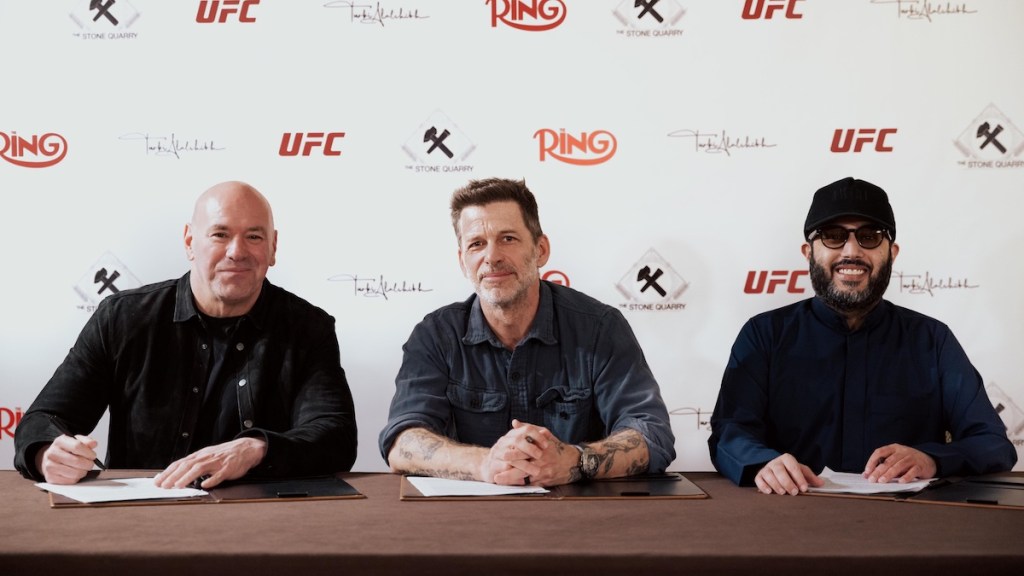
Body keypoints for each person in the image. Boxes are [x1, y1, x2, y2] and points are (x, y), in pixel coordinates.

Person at [14, 181, 357, 489]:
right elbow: (43, 419)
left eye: (254, 237)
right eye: (220, 235)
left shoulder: (308, 327)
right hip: (141, 517)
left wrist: (256, 448)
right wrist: (48, 454)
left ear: (273, 247)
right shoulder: (123, 318)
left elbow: (335, 437)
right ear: (190, 242)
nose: (237, 251)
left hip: (259, 515)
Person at [708, 176, 1016, 495]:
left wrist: (932, 459)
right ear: (808, 252)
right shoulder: (764, 335)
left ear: (892, 253)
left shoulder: (932, 340)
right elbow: (729, 434)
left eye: (869, 237)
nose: (852, 251)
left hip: (910, 517)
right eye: (833, 236)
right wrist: (762, 462)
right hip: (790, 512)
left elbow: (993, 443)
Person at [379, 177, 675, 487]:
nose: (492, 256)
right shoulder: (435, 336)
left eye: (507, 238)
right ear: (463, 261)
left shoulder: (600, 328)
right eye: (476, 243)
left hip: (580, 512)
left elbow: (651, 434)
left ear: (540, 250)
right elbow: (402, 442)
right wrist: (484, 464)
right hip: (469, 513)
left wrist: (575, 461)